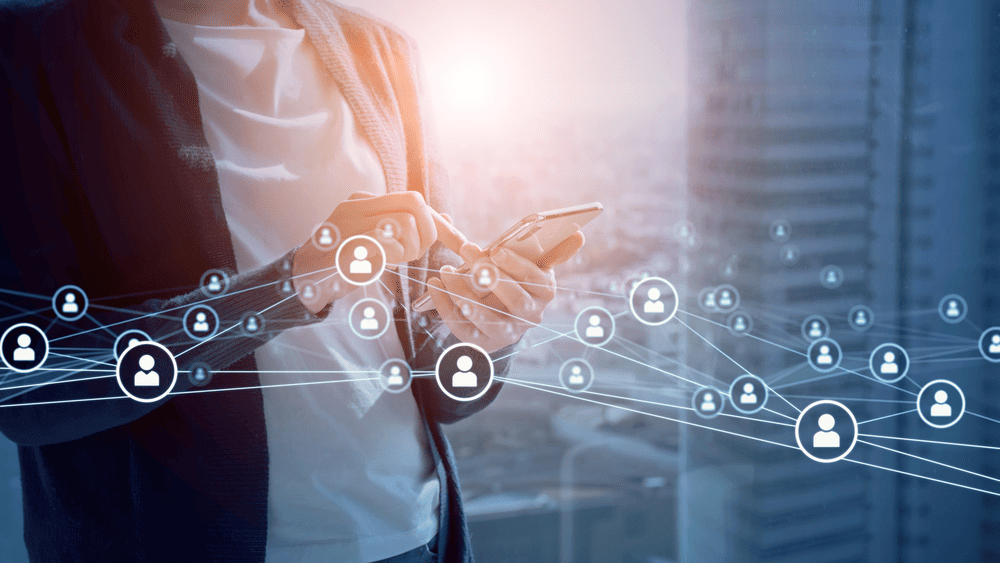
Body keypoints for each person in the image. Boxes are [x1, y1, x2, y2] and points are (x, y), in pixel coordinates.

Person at [0, 0, 586, 562]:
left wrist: (484, 335)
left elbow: (437, 383)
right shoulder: (28, 48)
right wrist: (293, 285)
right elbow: (27, 388)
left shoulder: (382, 52)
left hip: (413, 533)